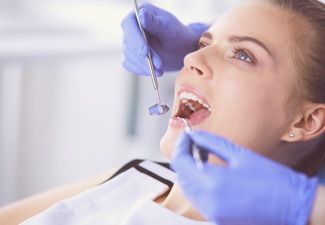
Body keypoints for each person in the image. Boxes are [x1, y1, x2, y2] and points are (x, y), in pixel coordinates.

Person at [0, 0, 324, 224]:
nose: (190, 60)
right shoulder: (145, 174)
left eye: (243, 55)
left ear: (306, 120)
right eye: (202, 44)